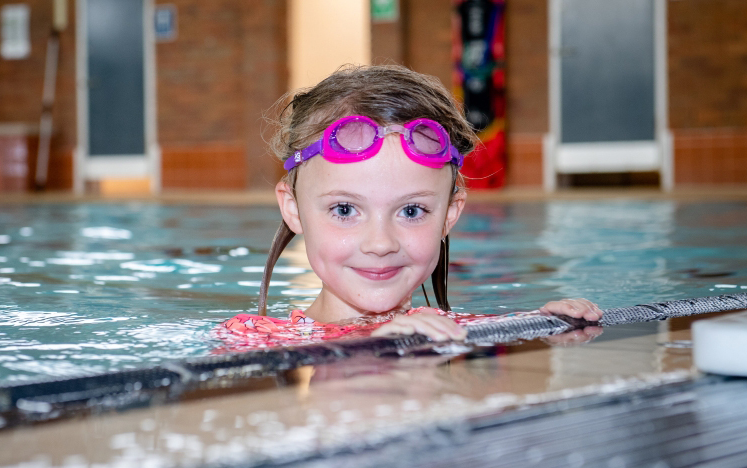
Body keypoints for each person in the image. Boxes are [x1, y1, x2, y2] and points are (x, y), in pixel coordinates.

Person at [221, 65, 601, 345]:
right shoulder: (253, 337)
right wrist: (372, 343)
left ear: (449, 214)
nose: (381, 242)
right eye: (344, 210)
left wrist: (543, 323)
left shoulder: (453, 326)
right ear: (293, 209)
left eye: (411, 211)